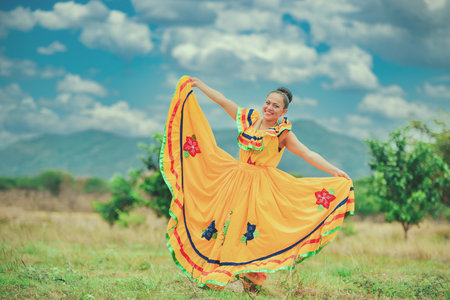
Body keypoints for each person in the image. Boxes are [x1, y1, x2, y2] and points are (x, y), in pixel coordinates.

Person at [160, 76, 355, 292]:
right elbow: (223, 101)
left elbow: (307, 153)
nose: (269, 108)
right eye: (268, 103)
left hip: (261, 188)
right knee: (225, 224)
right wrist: (198, 85)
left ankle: (252, 282)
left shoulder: (282, 134)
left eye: (276, 106)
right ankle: (217, 271)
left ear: (283, 112)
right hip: (234, 181)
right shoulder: (249, 119)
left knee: (253, 232)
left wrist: (335, 170)